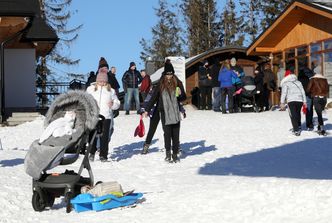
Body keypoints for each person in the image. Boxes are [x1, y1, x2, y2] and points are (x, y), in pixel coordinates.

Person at [143, 61, 186, 162]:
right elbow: (153, 97)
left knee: (176, 133)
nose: (169, 76)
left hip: (174, 111)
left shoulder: (177, 82)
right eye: (167, 74)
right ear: (165, 74)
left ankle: (175, 154)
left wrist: (180, 94)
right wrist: (147, 110)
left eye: (171, 74)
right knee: (167, 133)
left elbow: (183, 97)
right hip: (164, 111)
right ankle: (168, 154)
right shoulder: (161, 83)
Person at [86, 66, 120, 162]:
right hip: (94, 115)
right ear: (97, 81)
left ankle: (103, 155)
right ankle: (91, 153)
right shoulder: (90, 89)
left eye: (104, 81)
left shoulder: (111, 90)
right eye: (100, 81)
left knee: (104, 137)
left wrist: (113, 104)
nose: (102, 83)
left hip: (106, 116)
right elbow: (85, 100)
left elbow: (117, 103)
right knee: (92, 135)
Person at [280, 70, 306, 136]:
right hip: (299, 100)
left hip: (291, 101)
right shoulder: (299, 82)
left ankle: (296, 130)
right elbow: (303, 91)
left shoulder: (285, 83)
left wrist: (282, 102)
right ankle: (299, 125)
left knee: (293, 115)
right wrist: (304, 101)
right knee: (298, 113)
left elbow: (284, 93)